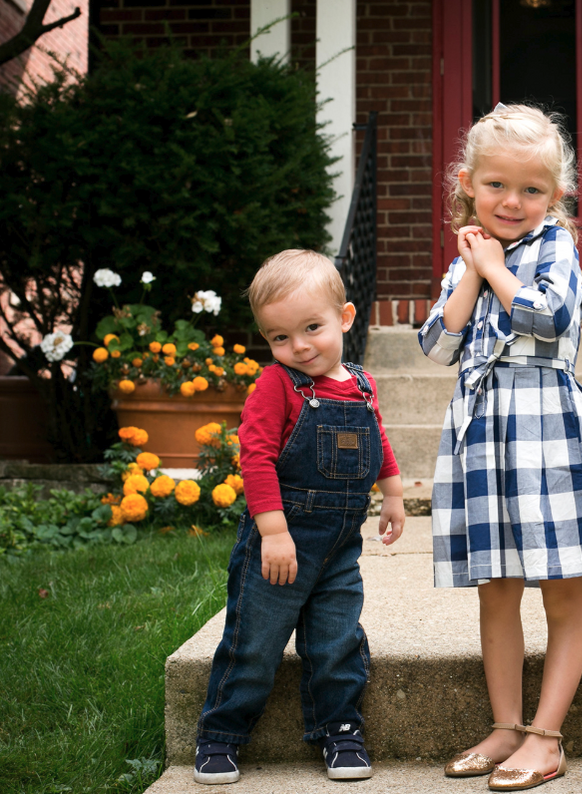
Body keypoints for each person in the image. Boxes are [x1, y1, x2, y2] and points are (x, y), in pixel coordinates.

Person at [418, 103, 582, 791]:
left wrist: (494, 267)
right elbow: (438, 344)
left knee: (561, 587)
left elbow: (546, 317)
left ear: (556, 196)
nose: (513, 202)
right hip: (483, 435)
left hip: (545, 428)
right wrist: (475, 269)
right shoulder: (469, 257)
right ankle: (506, 726)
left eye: (532, 190)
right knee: (498, 586)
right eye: (497, 186)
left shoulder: (556, 248)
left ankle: (546, 736)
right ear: (466, 182)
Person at [193, 250, 406, 784]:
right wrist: (273, 530)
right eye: (279, 337)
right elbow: (256, 456)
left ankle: (340, 730)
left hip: (339, 547)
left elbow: (377, 440)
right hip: (280, 546)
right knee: (254, 642)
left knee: (336, 641)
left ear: (346, 318)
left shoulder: (361, 384)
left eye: (312, 328)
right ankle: (221, 734)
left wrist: (394, 495)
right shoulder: (276, 385)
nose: (299, 346)